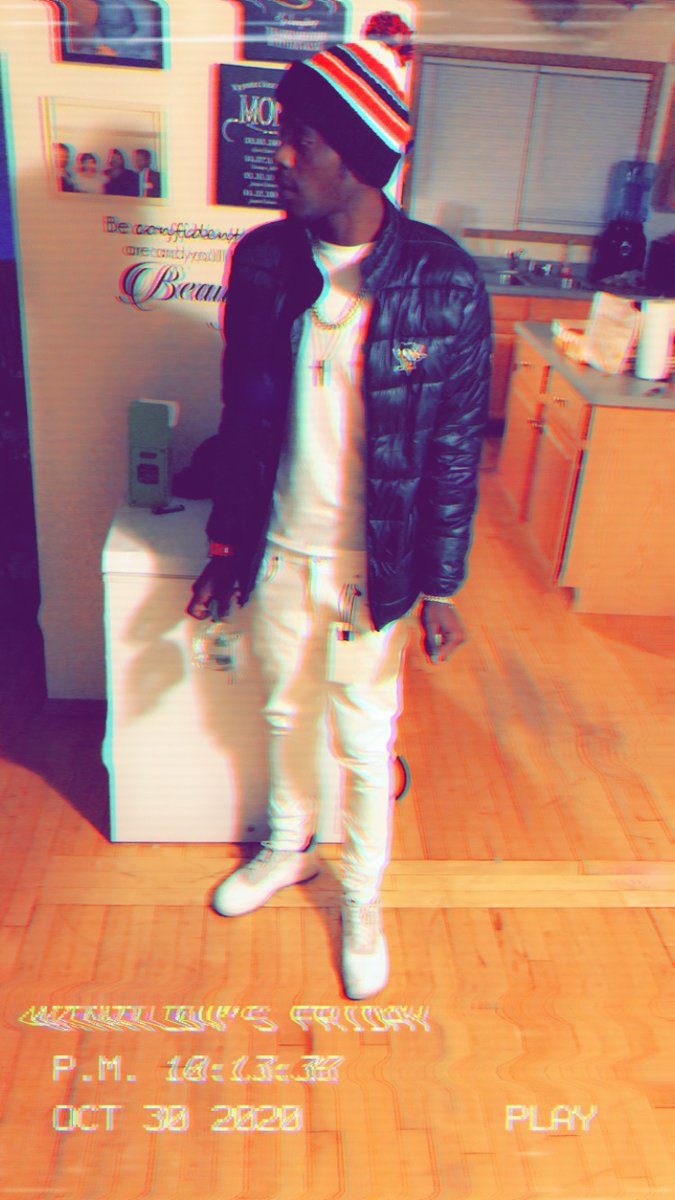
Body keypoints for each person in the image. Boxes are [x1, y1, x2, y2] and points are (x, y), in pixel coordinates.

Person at [188, 41, 492, 1000]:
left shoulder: (445, 282)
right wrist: (228, 543)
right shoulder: (263, 261)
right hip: (280, 545)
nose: (279, 156)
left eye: (302, 140)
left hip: (376, 562)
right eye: (281, 134)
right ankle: (289, 847)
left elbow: (452, 448)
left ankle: (360, 896)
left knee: (363, 739)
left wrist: (441, 582)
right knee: (283, 710)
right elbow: (243, 416)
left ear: (357, 158)